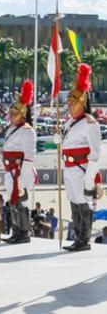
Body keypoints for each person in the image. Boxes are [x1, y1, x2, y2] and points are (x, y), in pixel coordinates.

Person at [60, 64, 102, 252]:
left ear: (82, 102)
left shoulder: (89, 123)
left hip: (82, 168)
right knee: (73, 201)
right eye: (68, 103)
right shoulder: (71, 122)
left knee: (83, 203)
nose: (68, 106)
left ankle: (84, 239)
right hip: (70, 168)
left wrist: (89, 179)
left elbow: (95, 154)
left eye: (72, 103)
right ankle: (78, 236)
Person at [0, 80, 36, 244]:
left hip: (20, 171)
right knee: (13, 202)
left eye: (15, 114)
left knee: (20, 202)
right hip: (10, 170)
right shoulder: (12, 129)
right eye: (11, 113)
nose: (11, 116)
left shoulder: (27, 131)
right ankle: (16, 230)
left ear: (22, 114)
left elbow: (28, 157)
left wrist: (22, 179)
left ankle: (24, 232)